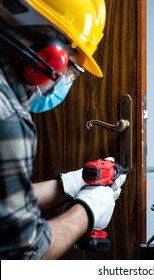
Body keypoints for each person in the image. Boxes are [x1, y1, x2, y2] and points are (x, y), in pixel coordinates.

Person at [0, 0, 126, 259]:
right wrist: (88, 209)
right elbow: (25, 256)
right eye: (73, 71)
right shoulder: (8, 114)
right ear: (53, 54)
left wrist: (66, 186)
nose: (67, 82)